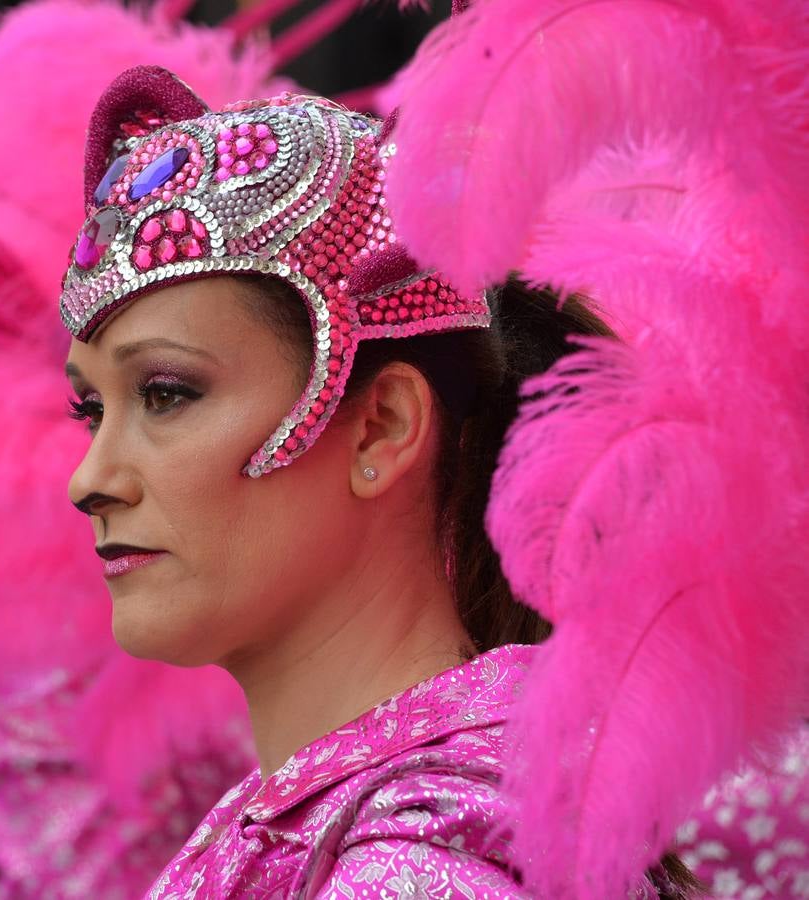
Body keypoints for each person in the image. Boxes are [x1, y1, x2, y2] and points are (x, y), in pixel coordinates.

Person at [58, 67, 699, 898]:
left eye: (166, 394)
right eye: (89, 409)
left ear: (380, 427)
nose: (89, 479)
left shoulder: (410, 872)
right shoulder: (353, 820)